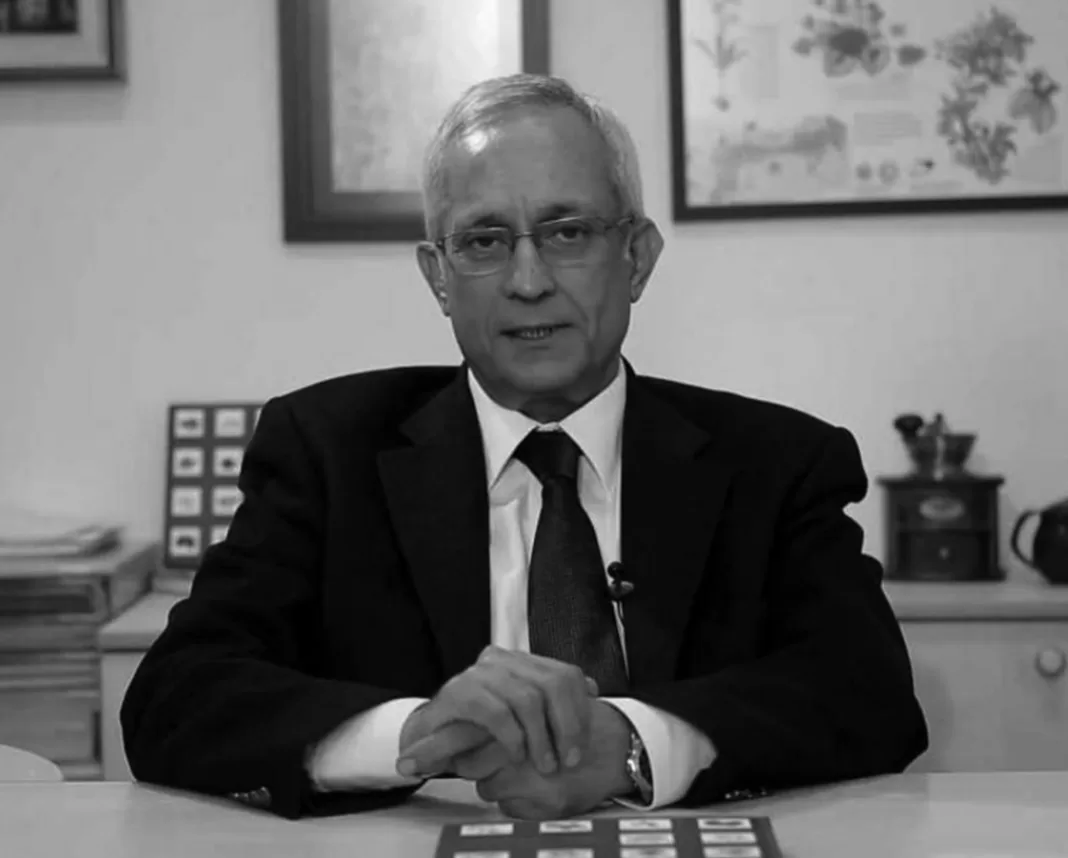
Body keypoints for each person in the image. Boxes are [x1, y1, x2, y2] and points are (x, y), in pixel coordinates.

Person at [120, 73, 927, 821]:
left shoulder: (777, 464)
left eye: (568, 232)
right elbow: (177, 697)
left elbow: (870, 695)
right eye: (484, 241)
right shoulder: (325, 451)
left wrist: (631, 744)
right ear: (438, 276)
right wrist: (417, 734)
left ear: (637, 257)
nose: (529, 280)